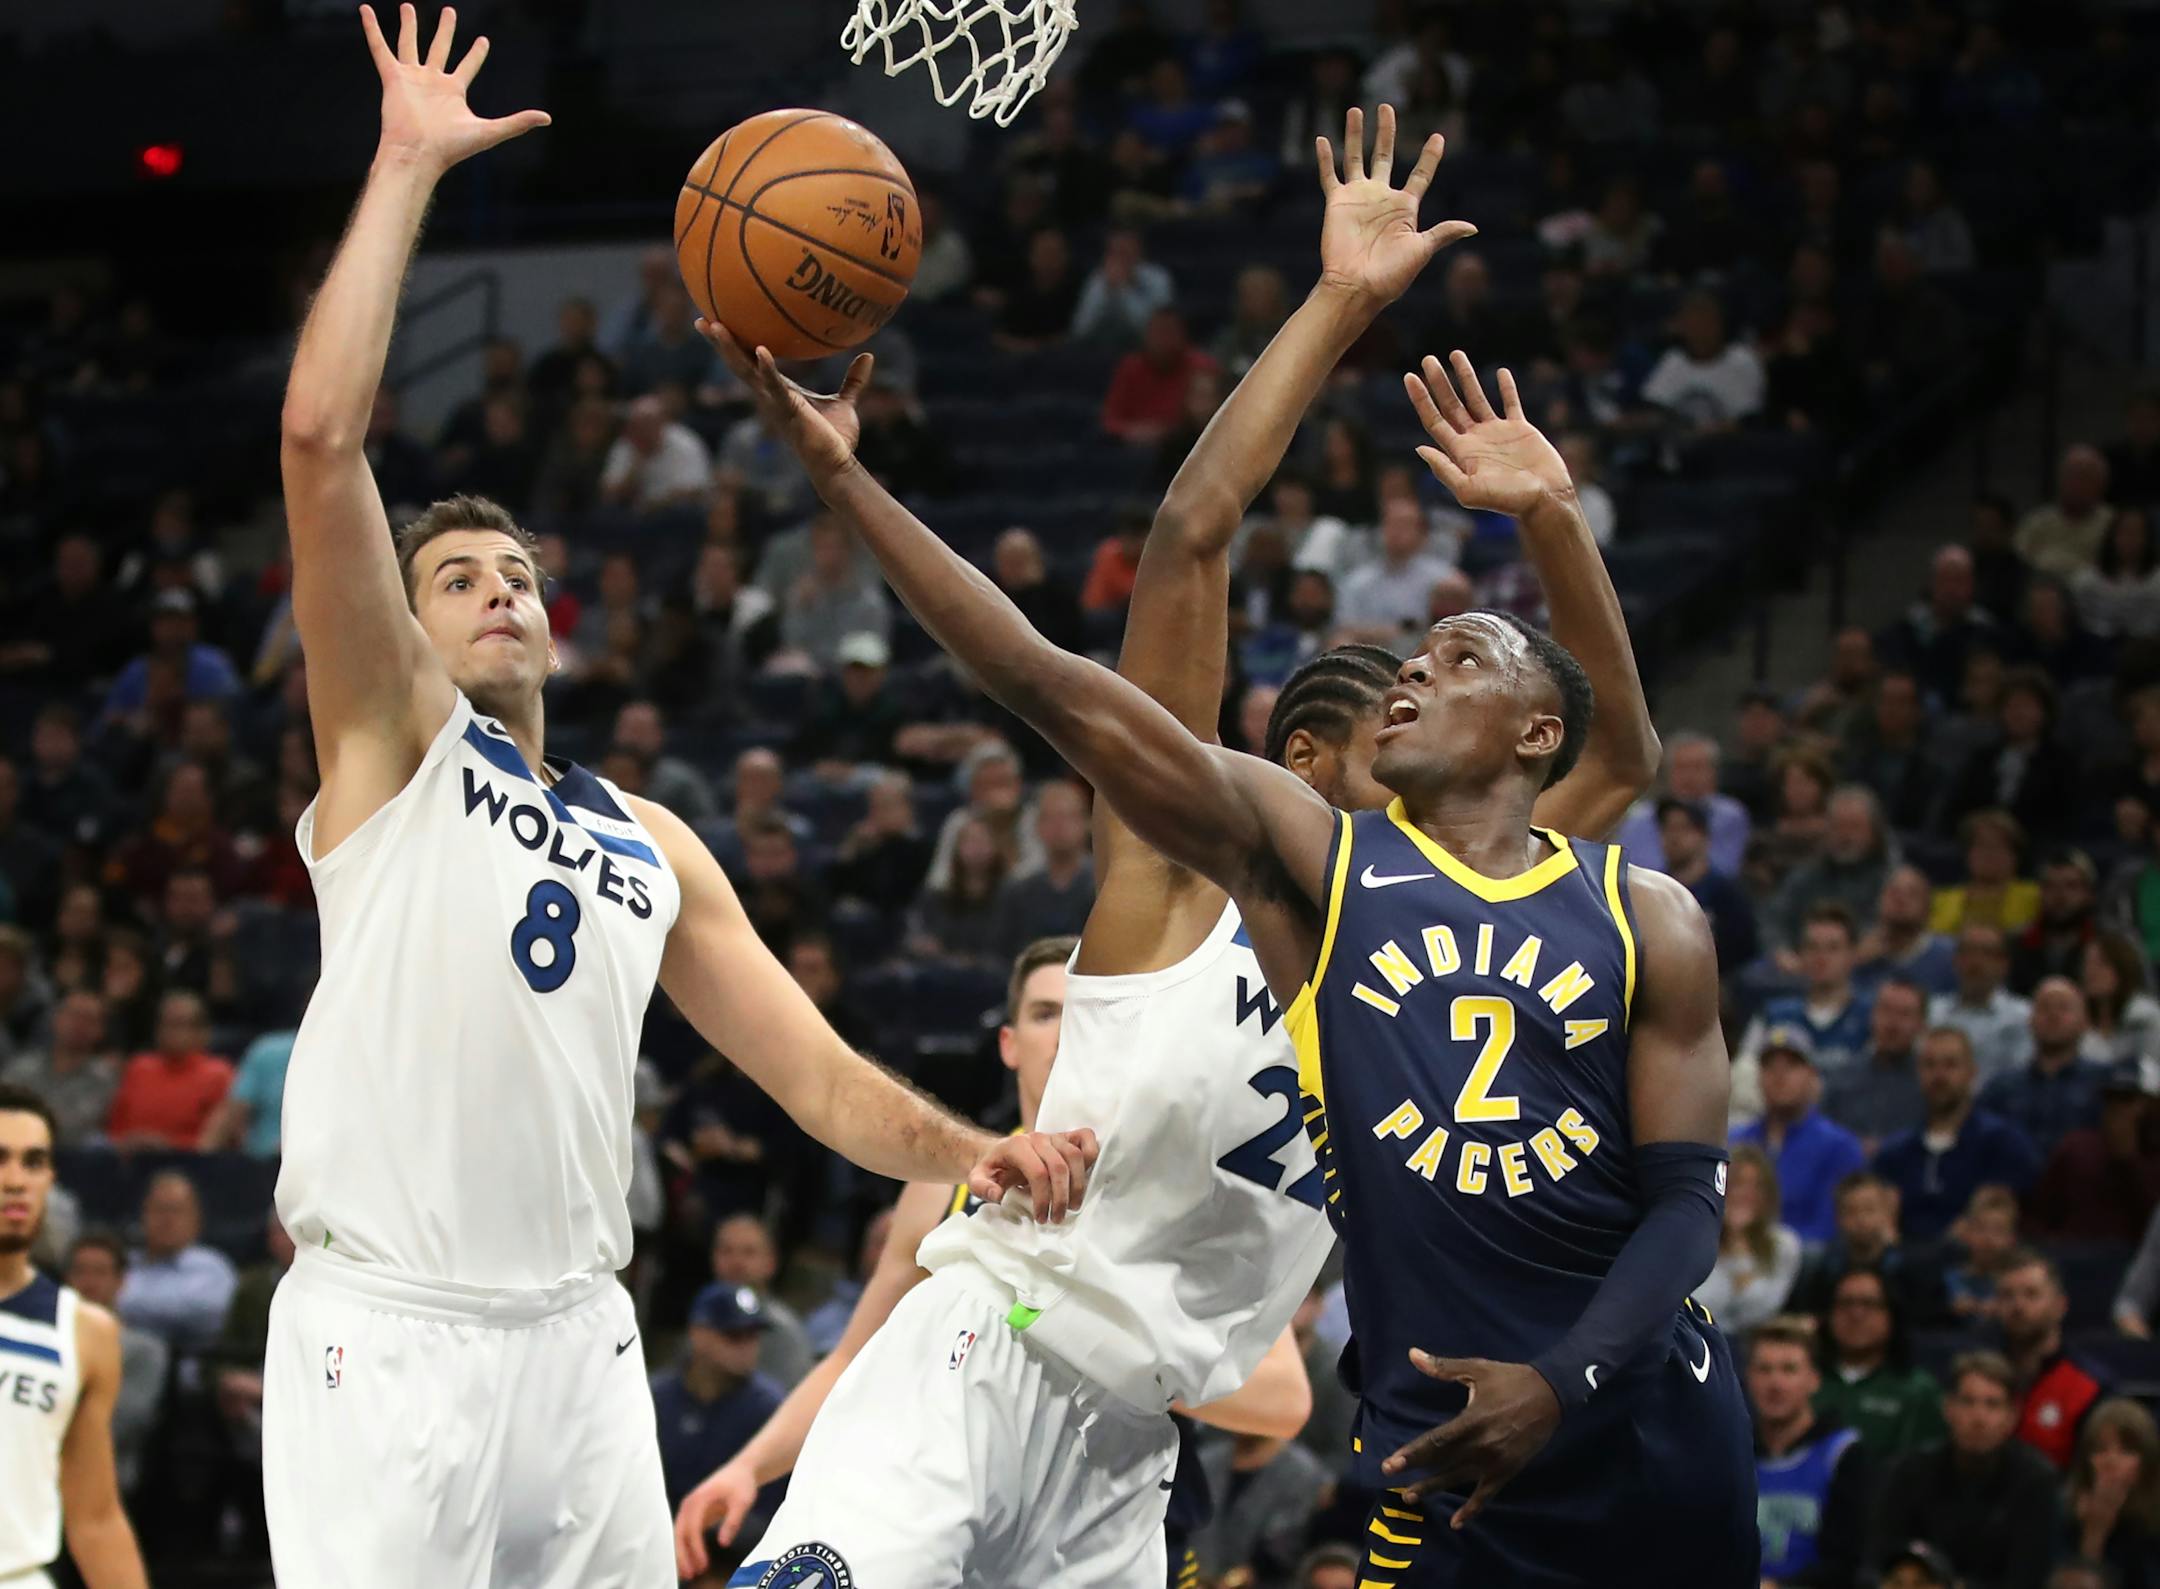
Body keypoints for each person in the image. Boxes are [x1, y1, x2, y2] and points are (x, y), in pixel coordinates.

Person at [704, 118, 1757, 1588]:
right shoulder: (1218, 872)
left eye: (1421, 689)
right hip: (995, 1348)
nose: (1386, 714)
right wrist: (1338, 302)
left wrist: (1553, 518)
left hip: (1139, 1436)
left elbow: (1618, 755)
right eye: (1343, 724)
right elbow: (1177, 549)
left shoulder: (1446, 892)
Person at [265, 14, 1093, 1583]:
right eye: (456, 578)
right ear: (405, 628)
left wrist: (968, 1146)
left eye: (519, 572)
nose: (500, 590)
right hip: (391, 1333)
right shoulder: (390, 751)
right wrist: (404, 163)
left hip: (582, 1340)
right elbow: (320, 435)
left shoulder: (650, 840)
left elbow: (821, 1080)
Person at [676, 940, 1311, 1580]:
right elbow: (851, 1357)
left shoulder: (1175, 1185)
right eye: (1043, 1013)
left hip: (1125, 1493)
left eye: (1078, 1008)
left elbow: (1285, 1399)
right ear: (1008, 1044)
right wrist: (749, 1468)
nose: (1064, 1030)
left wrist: (1107, 1345)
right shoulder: (949, 1179)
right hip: (959, 1470)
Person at [0, 1086, 150, 1589]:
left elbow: (96, 1519)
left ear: (50, 1179)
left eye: (32, 1162)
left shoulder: (85, 1332)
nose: (15, 1181)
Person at [1868, 1352, 2059, 1589]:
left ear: (2012, 1417)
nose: (1979, 1418)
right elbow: (1878, 1562)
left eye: (1993, 1405)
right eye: (1968, 1402)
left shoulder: (2035, 1481)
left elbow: (2028, 1579)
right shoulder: (1910, 1472)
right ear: (1948, 1409)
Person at [1875, 1026, 2041, 1241]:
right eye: (1929, 1065)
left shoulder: (2003, 1144)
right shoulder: (1894, 1153)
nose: (1939, 1075)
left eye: (1950, 1065)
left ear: (1972, 1072)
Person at [1749, 1317, 1871, 1588]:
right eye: (1764, 1369)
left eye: (1789, 1370)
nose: (1775, 1383)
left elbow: (1846, 1563)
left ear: (1814, 1380)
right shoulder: (1732, 1454)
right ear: (1748, 1377)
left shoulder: (1843, 1454)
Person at [650, 1283, 786, 1519]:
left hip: (731, 1548)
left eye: (753, 1335)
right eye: (734, 1336)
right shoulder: (656, 1398)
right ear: (698, 1334)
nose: (747, 1347)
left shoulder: (771, 1410)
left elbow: (771, 1512)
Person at [1732, 1027, 1866, 1244]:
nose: (1779, 1076)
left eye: (1791, 1066)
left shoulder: (1840, 1147)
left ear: (1812, 1076)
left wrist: (1769, 1251)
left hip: (1807, 1269)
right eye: (1770, 1067)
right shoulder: (1736, 1142)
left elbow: (1829, 1230)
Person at [62, 1233, 167, 1501]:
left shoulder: (146, 1351)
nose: (89, 1282)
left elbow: (119, 1422)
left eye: (100, 1272)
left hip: (106, 1485)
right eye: (80, 1271)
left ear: (121, 1281)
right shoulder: (37, 1340)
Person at [1813, 1266, 1946, 1461]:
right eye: (1845, 1303)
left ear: (1891, 1316)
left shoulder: (1917, 1390)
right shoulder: (1804, 1380)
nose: (1856, 1314)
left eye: (1869, 1304)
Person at [1997, 1248, 2111, 1472]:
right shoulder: (1979, 1377)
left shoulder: (2089, 1387)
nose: (2018, 1306)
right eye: (2007, 1295)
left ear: (2060, 1306)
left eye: (2031, 1294)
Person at [1979, 976, 2110, 1154]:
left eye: (2064, 1008)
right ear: (2030, 1019)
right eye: (2044, 1007)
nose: (2053, 1015)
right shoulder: (2002, 1088)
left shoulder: (2104, 1084)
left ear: (2084, 1021)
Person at [1698, 1144, 1802, 1334]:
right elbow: (1703, 1307)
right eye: (1738, 1184)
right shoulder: (1699, 1241)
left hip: (1755, 1345)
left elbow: (1758, 1312)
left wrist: (1739, 1245)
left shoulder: (1783, 1244)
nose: (1745, 1194)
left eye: (1757, 1186)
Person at [1820, 977, 1931, 1151]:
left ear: (1922, 1024)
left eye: (1904, 1014)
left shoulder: (1930, 1084)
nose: (1892, 1023)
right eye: (1885, 1011)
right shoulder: (1841, 1077)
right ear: (1872, 1015)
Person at [1652, 797, 1758, 975]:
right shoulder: (1651, 890)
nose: (1673, 837)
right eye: (1667, 828)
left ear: (1704, 837)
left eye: (1683, 828)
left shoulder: (1727, 894)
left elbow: (1743, 951)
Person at [2065, 1399, 2160, 1589]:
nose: (2111, 1461)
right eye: (2100, 1449)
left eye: (2127, 1450)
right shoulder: (2064, 1512)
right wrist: (2094, 1534)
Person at [1930, 923, 2035, 1084]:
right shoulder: (1933, 1013)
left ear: (2004, 964)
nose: (1976, 962)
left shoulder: (2023, 1017)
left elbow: (2022, 1077)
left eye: (1987, 953)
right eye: (1968, 952)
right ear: (1955, 960)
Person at [1859, 865, 1959, 998]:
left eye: (1912, 894)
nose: (1900, 899)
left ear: (1928, 907)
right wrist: (1854, 960)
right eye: (1894, 892)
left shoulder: (1950, 957)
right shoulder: (1857, 952)